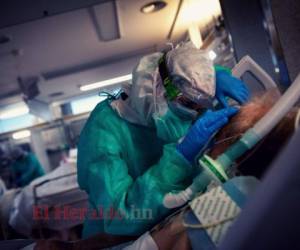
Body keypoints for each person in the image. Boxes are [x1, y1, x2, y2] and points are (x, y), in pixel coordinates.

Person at [77, 43, 250, 238]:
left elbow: (187, 72)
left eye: (200, 107)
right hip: (117, 239)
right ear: (158, 89)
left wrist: (217, 74)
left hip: (173, 222)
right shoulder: (103, 132)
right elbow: (118, 217)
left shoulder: (181, 101)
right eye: (189, 104)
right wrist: (177, 161)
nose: (195, 114)